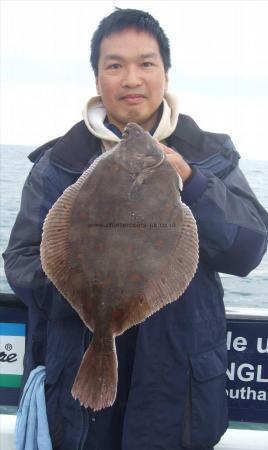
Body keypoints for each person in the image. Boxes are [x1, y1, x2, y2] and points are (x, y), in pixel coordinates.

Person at [3, 7, 268, 450]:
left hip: (175, 396)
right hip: (77, 397)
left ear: (166, 73)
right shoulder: (59, 163)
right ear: (97, 78)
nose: (131, 79)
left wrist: (194, 183)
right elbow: (22, 258)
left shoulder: (210, 157)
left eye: (146, 63)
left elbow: (249, 250)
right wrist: (85, 299)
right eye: (115, 65)